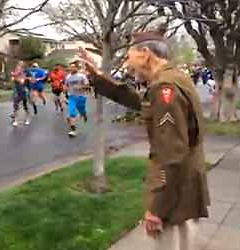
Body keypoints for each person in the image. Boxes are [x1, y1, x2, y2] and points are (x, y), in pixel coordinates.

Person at [84, 29, 210, 250]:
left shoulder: (165, 87)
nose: (127, 62)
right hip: (184, 189)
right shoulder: (173, 77)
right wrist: (98, 79)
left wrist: (157, 209)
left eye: (129, 55)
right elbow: (143, 103)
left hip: (174, 200)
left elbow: (171, 154)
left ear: (145, 53)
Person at [64, 62, 89, 137]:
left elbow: (87, 85)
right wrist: (65, 90)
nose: (71, 68)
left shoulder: (82, 76)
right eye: (70, 67)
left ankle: (84, 114)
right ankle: (73, 130)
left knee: (82, 111)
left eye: (73, 67)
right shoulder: (68, 77)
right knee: (72, 113)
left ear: (77, 68)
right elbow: (66, 85)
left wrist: (80, 87)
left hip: (81, 97)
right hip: (72, 97)